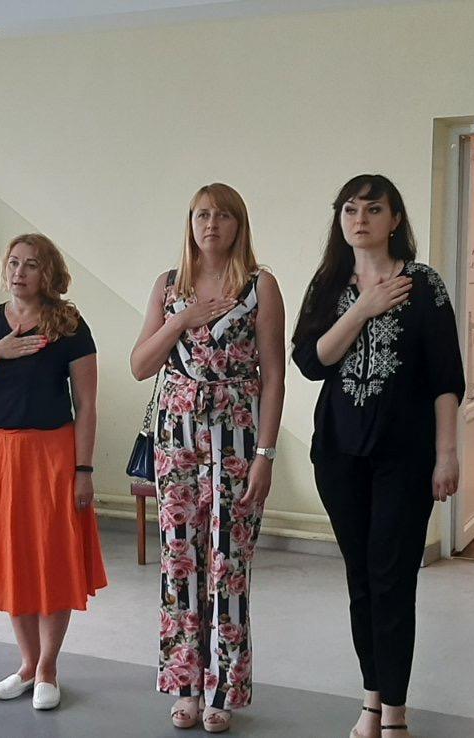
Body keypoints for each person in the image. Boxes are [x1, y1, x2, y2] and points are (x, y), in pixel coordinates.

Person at [290, 174, 464, 738]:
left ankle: (395, 714)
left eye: (373, 209)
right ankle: (371, 701)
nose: (360, 219)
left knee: (393, 579)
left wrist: (446, 455)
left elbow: (446, 378)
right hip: (338, 454)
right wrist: (362, 308)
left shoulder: (423, 285)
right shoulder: (328, 284)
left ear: (395, 220)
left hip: (405, 457)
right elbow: (311, 361)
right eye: (350, 209)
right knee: (361, 580)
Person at [129, 183, 286, 734]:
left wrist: (265, 454)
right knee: (179, 558)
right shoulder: (168, 285)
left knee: (228, 560)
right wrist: (181, 319)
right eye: (201, 215)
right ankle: (185, 685)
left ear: (239, 223)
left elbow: (273, 376)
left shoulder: (260, 286)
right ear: (189, 222)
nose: (211, 224)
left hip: (237, 435)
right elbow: (140, 365)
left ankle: (223, 689)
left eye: (222, 215)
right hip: (177, 436)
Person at [0, 233, 106, 711]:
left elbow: (87, 405)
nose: (20, 272)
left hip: (51, 453)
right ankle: (28, 664)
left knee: (51, 559)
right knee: (12, 558)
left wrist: (83, 468)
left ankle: (49, 667)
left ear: (48, 272)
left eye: (31, 264)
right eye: (14, 262)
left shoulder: (69, 325)